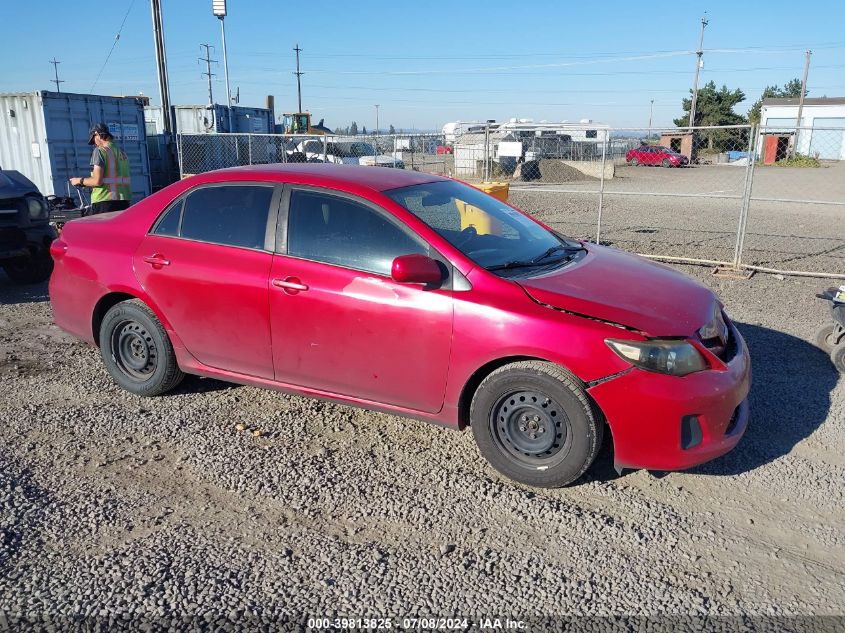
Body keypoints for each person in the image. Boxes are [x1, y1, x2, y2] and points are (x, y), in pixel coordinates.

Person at [69, 123, 131, 215]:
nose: (94, 144)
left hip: (104, 201)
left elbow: (97, 181)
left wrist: (79, 180)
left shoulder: (100, 151)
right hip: (124, 201)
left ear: (97, 134)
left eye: (93, 140)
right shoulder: (121, 152)